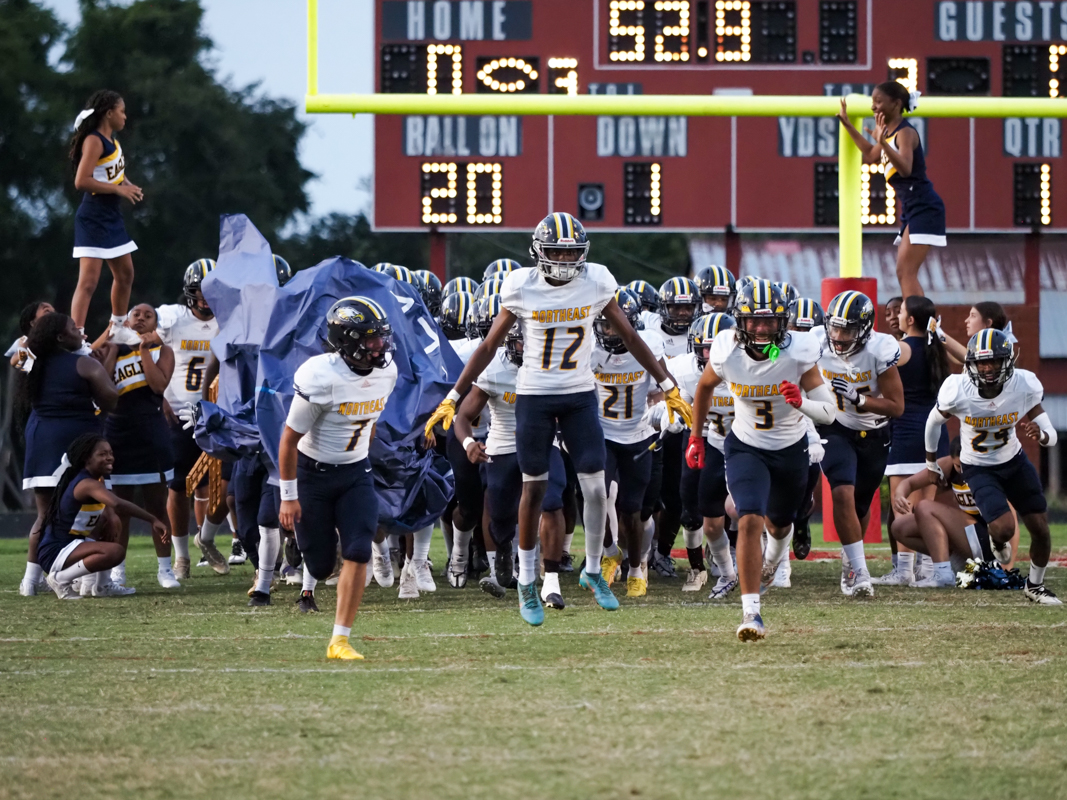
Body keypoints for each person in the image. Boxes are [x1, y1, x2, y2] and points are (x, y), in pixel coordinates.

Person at [424, 212, 692, 626]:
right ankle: (527, 581)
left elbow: (630, 336)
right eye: (556, 252)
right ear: (539, 252)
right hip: (535, 396)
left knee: (597, 488)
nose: (565, 260)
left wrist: (668, 385)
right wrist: (454, 396)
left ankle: (592, 570)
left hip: (579, 395)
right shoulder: (521, 286)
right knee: (534, 489)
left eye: (571, 253)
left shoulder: (596, 280)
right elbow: (489, 346)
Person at [688, 280, 837, 641]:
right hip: (746, 446)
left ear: (782, 321)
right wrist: (696, 437)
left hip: (790, 448)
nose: (760, 328)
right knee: (749, 517)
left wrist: (802, 402)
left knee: (780, 525)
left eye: (769, 320)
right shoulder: (727, 351)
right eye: (753, 320)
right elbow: (704, 387)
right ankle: (751, 613)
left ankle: (772, 561)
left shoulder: (797, 353)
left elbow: (830, 412)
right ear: (740, 320)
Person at [278, 296, 399, 660]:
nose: (381, 345)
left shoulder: (387, 372)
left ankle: (340, 640)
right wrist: (288, 496)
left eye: (382, 336)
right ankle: (302, 543)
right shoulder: (322, 376)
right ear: (347, 340)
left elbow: (370, 422)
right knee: (319, 565)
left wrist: (359, 455)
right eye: (372, 338)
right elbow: (288, 441)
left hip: (355, 473)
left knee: (359, 550)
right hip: (312, 475)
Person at [925, 329, 1060, 605]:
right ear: (972, 364)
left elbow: (1052, 434)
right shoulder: (958, 389)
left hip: (1014, 461)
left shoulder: (1023, 385)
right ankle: (997, 541)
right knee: (1003, 529)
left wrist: (1042, 435)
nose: (987, 368)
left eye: (994, 361)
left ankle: (1035, 586)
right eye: (982, 362)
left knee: (1040, 528)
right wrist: (930, 462)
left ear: (1007, 361)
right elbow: (933, 422)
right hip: (978, 467)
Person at [453, 323, 570, 607]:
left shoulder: (553, 365)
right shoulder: (494, 368)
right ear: (510, 343)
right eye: (521, 343)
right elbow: (463, 417)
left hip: (542, 443)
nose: (527, 349)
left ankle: (551, 581)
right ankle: (502, 553)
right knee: (499, 513)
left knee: (552, 501)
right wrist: (468, 444)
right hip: (504, 444)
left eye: (532, 342)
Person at [16, 313, 118, 596]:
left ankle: (30, 582)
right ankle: (94, 582)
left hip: (41, 439)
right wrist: (105, 362)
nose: (81, 333)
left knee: (44, 516)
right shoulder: (83, 363)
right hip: (78, 442)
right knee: (95, 512)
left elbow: (18, 363)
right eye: (75, 329)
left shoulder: (32, 362)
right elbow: (111, 398)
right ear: (61, 337)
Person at [813, 291, 904, 598]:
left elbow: (897, 407)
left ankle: (851, 558)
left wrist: (859, 399)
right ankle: (859, 570)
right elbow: (780, 354)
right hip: (834, 425)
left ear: (864, 329)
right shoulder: (816, 342)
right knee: (842, 491)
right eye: (835, 328)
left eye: (848, 330)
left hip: (874, 432)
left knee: (861, 503)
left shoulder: (879, 350)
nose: (839, 337)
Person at [838, 83, 945, 300]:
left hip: (924, 206)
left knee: (906, 271)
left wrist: (884, 144)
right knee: (903, 271)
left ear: (896, 104)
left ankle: (919, 319)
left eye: (878, 102)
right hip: (912, 207)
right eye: (872, 102)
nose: (873, 107)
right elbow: (871, 155)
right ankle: (916, 317)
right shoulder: (888, 133)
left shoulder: (905, 132)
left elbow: (905, 168)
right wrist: (848, 125)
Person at [590, 289, 666, 598]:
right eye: (605, 325)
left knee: (633, 511)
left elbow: (664, 385)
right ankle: (610, 551)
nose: (611, 331)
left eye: (616, 324)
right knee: (597, 494)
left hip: (638, 435)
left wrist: (661, 407)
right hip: (603, 435)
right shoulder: (589, 350)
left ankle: (635, 568)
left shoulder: (648, 345)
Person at [96, 304, 177, 589]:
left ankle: (165, 569)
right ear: (126, 321)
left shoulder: (162, 351)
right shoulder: (112, 348)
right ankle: (117, 570)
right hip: (117, 436)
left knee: (157, 505)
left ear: (155, 323)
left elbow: (158, 386)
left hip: (150, 434)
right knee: (119, 508)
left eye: (148, 315)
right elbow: (103, 388)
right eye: (136, 314)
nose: (141, 318)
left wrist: (142, 349)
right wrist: (114, 348)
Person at [157, 259, 225, 575]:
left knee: (220, 484)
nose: (206, 298)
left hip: (215, 414)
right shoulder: (172, 318)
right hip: (178, 413)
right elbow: (142, 341)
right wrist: (158, 396)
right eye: (201, 291)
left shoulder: (229, 321)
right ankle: (181, 556)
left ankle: (206, 539)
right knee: (177, 485)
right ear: (189, 291)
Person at [877, 295, 951, 586]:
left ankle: (904, 570)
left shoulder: (901, 348)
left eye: (901, 312)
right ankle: (930, 568)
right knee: (926, 507)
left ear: (910, 320)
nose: (896, 317)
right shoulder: (938, 349)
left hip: (907, 433)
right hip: (937, 435)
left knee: (903, 507)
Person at [38, 433, 167, 599]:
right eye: (102, 454)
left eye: (110, 453)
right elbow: (117, 504)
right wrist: (153, 519)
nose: (109, 458)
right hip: (56, 551)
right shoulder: (86, 483)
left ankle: (101, 585)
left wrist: (111, 518)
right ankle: (60, 579)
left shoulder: (96, 480)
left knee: (113, 522)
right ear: (87, 458)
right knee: (115, 552)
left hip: (71, 545)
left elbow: (110, 509)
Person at [672, 312, 738, 599]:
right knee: (708, 518)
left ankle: (766, 561)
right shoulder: (686, 369)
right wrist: (671, 416)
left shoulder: (751, 364)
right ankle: (726, 573)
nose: (709, 356)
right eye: (704, 349)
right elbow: (681, 402)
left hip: (749, 443)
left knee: (743, 509)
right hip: (713, 440)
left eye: (715, 348)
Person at [69, 90, 143, 345]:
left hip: (111, 216)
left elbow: (113, 172)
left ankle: (118, 326)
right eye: (122, 111)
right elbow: (82, 181)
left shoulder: (113, 142)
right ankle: (76, 337)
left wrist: (127, 185)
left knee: (125, 274)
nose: (125, 116)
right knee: (88, 281)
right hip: (93, 216)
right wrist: (117, 190)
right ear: (109, 113)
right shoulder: (94, 140)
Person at [890, 438, 999, 588]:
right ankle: (956, 564)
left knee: (925, 507)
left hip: (989, 540)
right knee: (900, 527)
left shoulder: (990, 466)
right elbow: (909, 482)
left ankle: (943, 574)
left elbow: (1010, 517)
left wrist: (1006, 565)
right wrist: (899, 495)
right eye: (959, 466)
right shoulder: (948, 465)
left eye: (967, 464)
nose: (963, 470)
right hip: (967, 535)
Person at [786, 298, 826, 561]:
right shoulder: (775, 350)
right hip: (782, 416)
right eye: (796, 329)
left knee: (809, 475)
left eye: (807, 330)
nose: (801, 335)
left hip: (818, 417)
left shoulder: (826, 352)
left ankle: (801, 516)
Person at [940, 301, 1010, 365]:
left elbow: (967, 357)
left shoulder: (997, 346)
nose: (966, 320)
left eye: (973, 316)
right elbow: (958, 357)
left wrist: (939, 333)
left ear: (988, 322)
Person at [7, 301, 56, 371]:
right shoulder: (26, 343)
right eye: (47, 311)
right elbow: (15, 361)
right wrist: (23, 349)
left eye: (54, 313)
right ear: (33, 323)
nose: (54, 317)